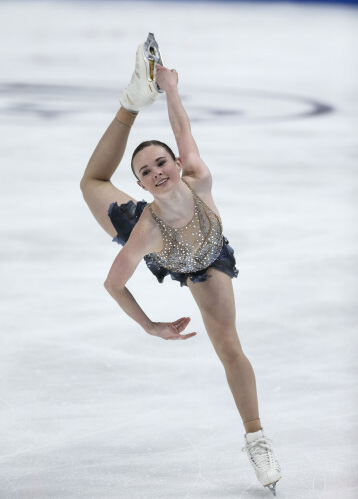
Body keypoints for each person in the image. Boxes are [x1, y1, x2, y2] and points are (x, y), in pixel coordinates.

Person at [80, 33, 281, 496]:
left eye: (160, 162)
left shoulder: (199, 177)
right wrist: (151, 326)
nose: (156, 172)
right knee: (91, 182)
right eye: (145, 172)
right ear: (142, 185)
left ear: (175, 163)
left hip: (208, 263)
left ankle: (257, 439)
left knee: (229, 346)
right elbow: (114, 285)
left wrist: (171, 88)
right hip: (157, 243)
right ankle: (130, 101)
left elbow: (183, 128)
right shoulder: (142, 230)